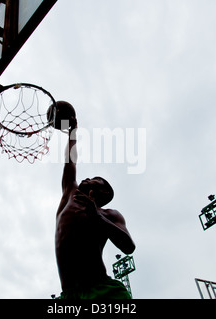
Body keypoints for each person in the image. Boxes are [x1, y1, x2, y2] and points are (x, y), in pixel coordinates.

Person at [55, 105, 136, 299]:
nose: (87, 178)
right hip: (69, 295)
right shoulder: (70, 193)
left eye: (94, 178)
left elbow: (129, 247)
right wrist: (72, 131)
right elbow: (70, 161)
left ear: (103, 191)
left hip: (102, 290)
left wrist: (96, 216)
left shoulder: (110, 214)